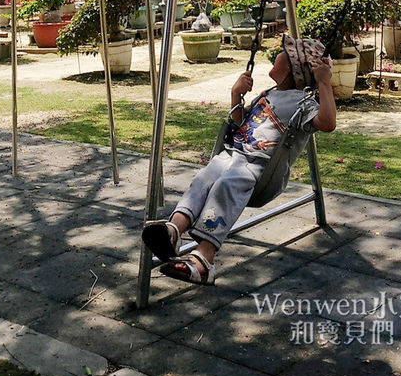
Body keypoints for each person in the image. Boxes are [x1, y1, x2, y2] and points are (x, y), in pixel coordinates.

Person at [142, 34, 337, 286]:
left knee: (225, 185)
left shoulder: (304, 103)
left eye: (283, 53)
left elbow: (328, 123)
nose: (276, 54)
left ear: (292, 67)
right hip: (234, 155)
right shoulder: (270, 93)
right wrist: (236, 96)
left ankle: (204, 260)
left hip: (259, 171)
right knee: (205, 177)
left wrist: (324, 83)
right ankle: (172, 231)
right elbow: (240, 126)